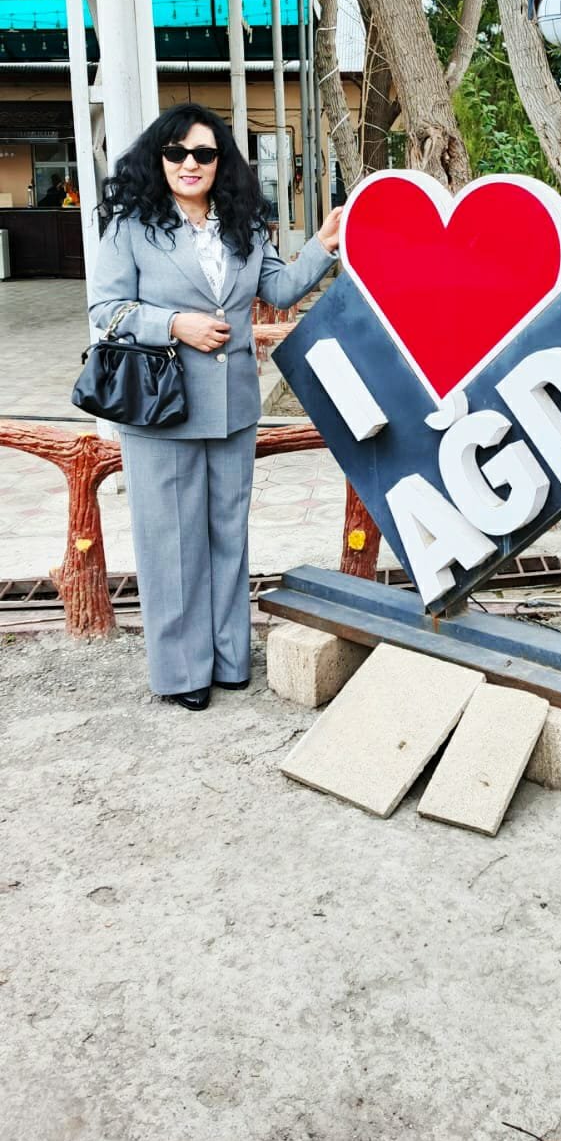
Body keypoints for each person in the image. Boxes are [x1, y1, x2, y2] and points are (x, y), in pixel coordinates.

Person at [89, 103, 341, 712]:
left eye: (203, 153)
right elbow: (107, 311)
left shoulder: (243, 224)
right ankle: (182, 672)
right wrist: (176, 323)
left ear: (220, 161)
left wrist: (323, 245)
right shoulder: (130, 227)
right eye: (177, 152)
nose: (190, 163)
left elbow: (279, 289)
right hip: (162, 408)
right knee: (171, 542)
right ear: (159, 158)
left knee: (228, 535)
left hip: (233, 408)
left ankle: (229, 659)